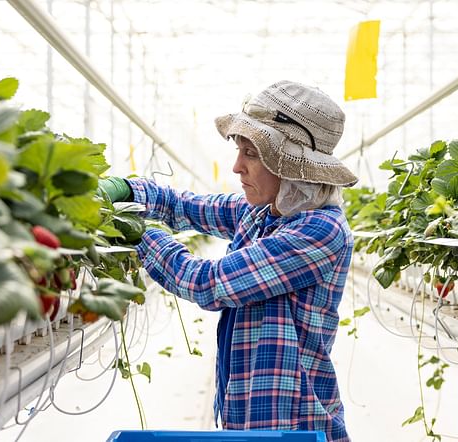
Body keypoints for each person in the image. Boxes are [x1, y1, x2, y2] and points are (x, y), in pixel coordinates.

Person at [99, 80, 358, 441]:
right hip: (248, 417)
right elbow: (184, 207)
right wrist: (129, 191)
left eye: (251, 154)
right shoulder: (262, 211)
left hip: (294, 426)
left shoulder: (319, 231)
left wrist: (134, 230)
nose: (237, 167)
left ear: (292, 165)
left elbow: (205, 282)